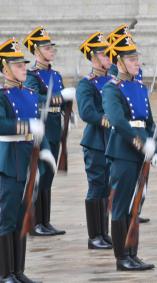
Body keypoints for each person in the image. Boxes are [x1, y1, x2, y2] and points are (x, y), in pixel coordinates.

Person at [0, 37, 56, 283]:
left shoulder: (32, 95)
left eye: (24, 65)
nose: (24, 69)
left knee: (22, 217)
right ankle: (5, 273)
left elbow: (39, 129)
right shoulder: (2, 96)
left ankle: (18, 271)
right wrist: (26, 125)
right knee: (6, 219)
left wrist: (45, 151)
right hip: (9, 163)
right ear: (5, 69)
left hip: (27, 162)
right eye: (18, 65)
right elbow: (2, 125)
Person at [102, 34, 157, 271]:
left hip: (142, 151)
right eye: (132, 59)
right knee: (122, 205)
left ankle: (133, 253)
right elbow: (117, 120)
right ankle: (121, 257)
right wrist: (139, 143)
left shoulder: (138, 86)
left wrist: (156, 148)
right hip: (124, 151)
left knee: (136, 204)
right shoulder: (111, 88)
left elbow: (150, 122)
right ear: (120, 62)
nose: (137, 63)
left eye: (137, 59)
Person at [23, 26, 74, 236]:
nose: (51, 50)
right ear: (36, 52)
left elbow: (62, 101)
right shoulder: (31, 76)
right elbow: (34, 100)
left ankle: (45, 221)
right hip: (41, 129)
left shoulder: (56, 74)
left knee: (49, 175)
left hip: (54, 127)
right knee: (40, 174)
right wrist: (61, 98)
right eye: (46, 47)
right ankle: (35, 222)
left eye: (51, 46)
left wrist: (68, 114)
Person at [76, 31, 113, 249]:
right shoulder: (86, 84)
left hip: (112, 142)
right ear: (93, 57)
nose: (109, 58)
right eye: (104, 55)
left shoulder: (112, 81)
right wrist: (110, 120)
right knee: (96, 187)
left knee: (108, 188)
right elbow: (87, 113)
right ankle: (94, 236)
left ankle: (104, 232)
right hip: (96, 141)